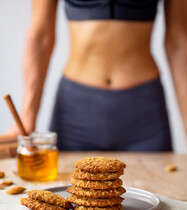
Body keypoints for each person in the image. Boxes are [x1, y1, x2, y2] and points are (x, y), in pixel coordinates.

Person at [6, 0, 187, 151]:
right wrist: (28, 117)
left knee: (161, 193)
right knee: (67, 191)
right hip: (75, 116)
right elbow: (41, 35)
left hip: (144, 117)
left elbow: (179, 40)